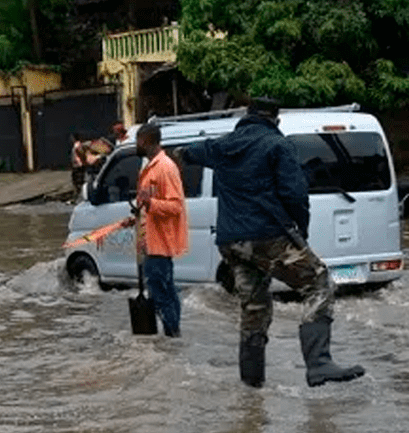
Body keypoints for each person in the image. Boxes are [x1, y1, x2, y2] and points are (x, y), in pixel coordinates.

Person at [179, 97, 365, 388]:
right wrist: (300, 234)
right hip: (267, 235)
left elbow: (188, 153)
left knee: (254, 306)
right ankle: (318, 363)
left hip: (231, 242)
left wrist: (181, 155)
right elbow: (295, 195)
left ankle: (251, 385)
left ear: (247, 116)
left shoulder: (222, 145)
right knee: (320, 282)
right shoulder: (277, 145)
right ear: (275, 120)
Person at [120, 123, 188, 337]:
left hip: (160, 244)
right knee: (164, 292)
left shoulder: (165, 168)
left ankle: (172, 335)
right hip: (148, 241)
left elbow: (176, 206)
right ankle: (172, 336)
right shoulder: (150, 167)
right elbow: (149, 204)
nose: (136, 145)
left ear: (148, 140)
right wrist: (139, 215)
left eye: (138, 140)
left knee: (161, 294)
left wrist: (151, 205)